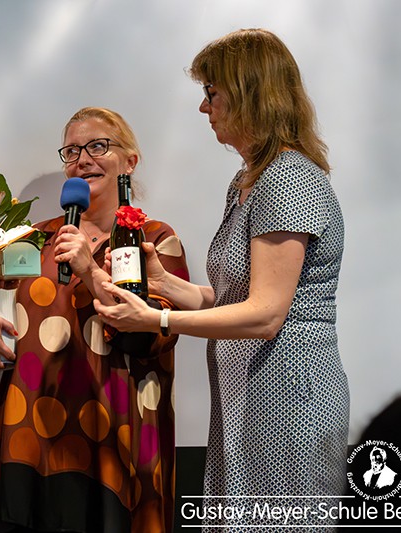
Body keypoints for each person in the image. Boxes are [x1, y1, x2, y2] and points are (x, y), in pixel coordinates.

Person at [94, 29, 350, 529]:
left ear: (250, 92)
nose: (203, 106)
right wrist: (163, 283)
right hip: (249, 396)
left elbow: (266, 315)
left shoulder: (289, 178)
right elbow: (234, 298)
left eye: (212, 93)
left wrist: (159, 319)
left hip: (289, 399)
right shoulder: (249, 179)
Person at [0, 107, 190, 532]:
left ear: (130, 162)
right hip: (31, 438)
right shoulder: (35, 239)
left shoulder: (153, 240)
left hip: (117, 441)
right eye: (72, 151)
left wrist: (89, 269)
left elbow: (154, 335)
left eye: (98, 146)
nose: (83, 159)